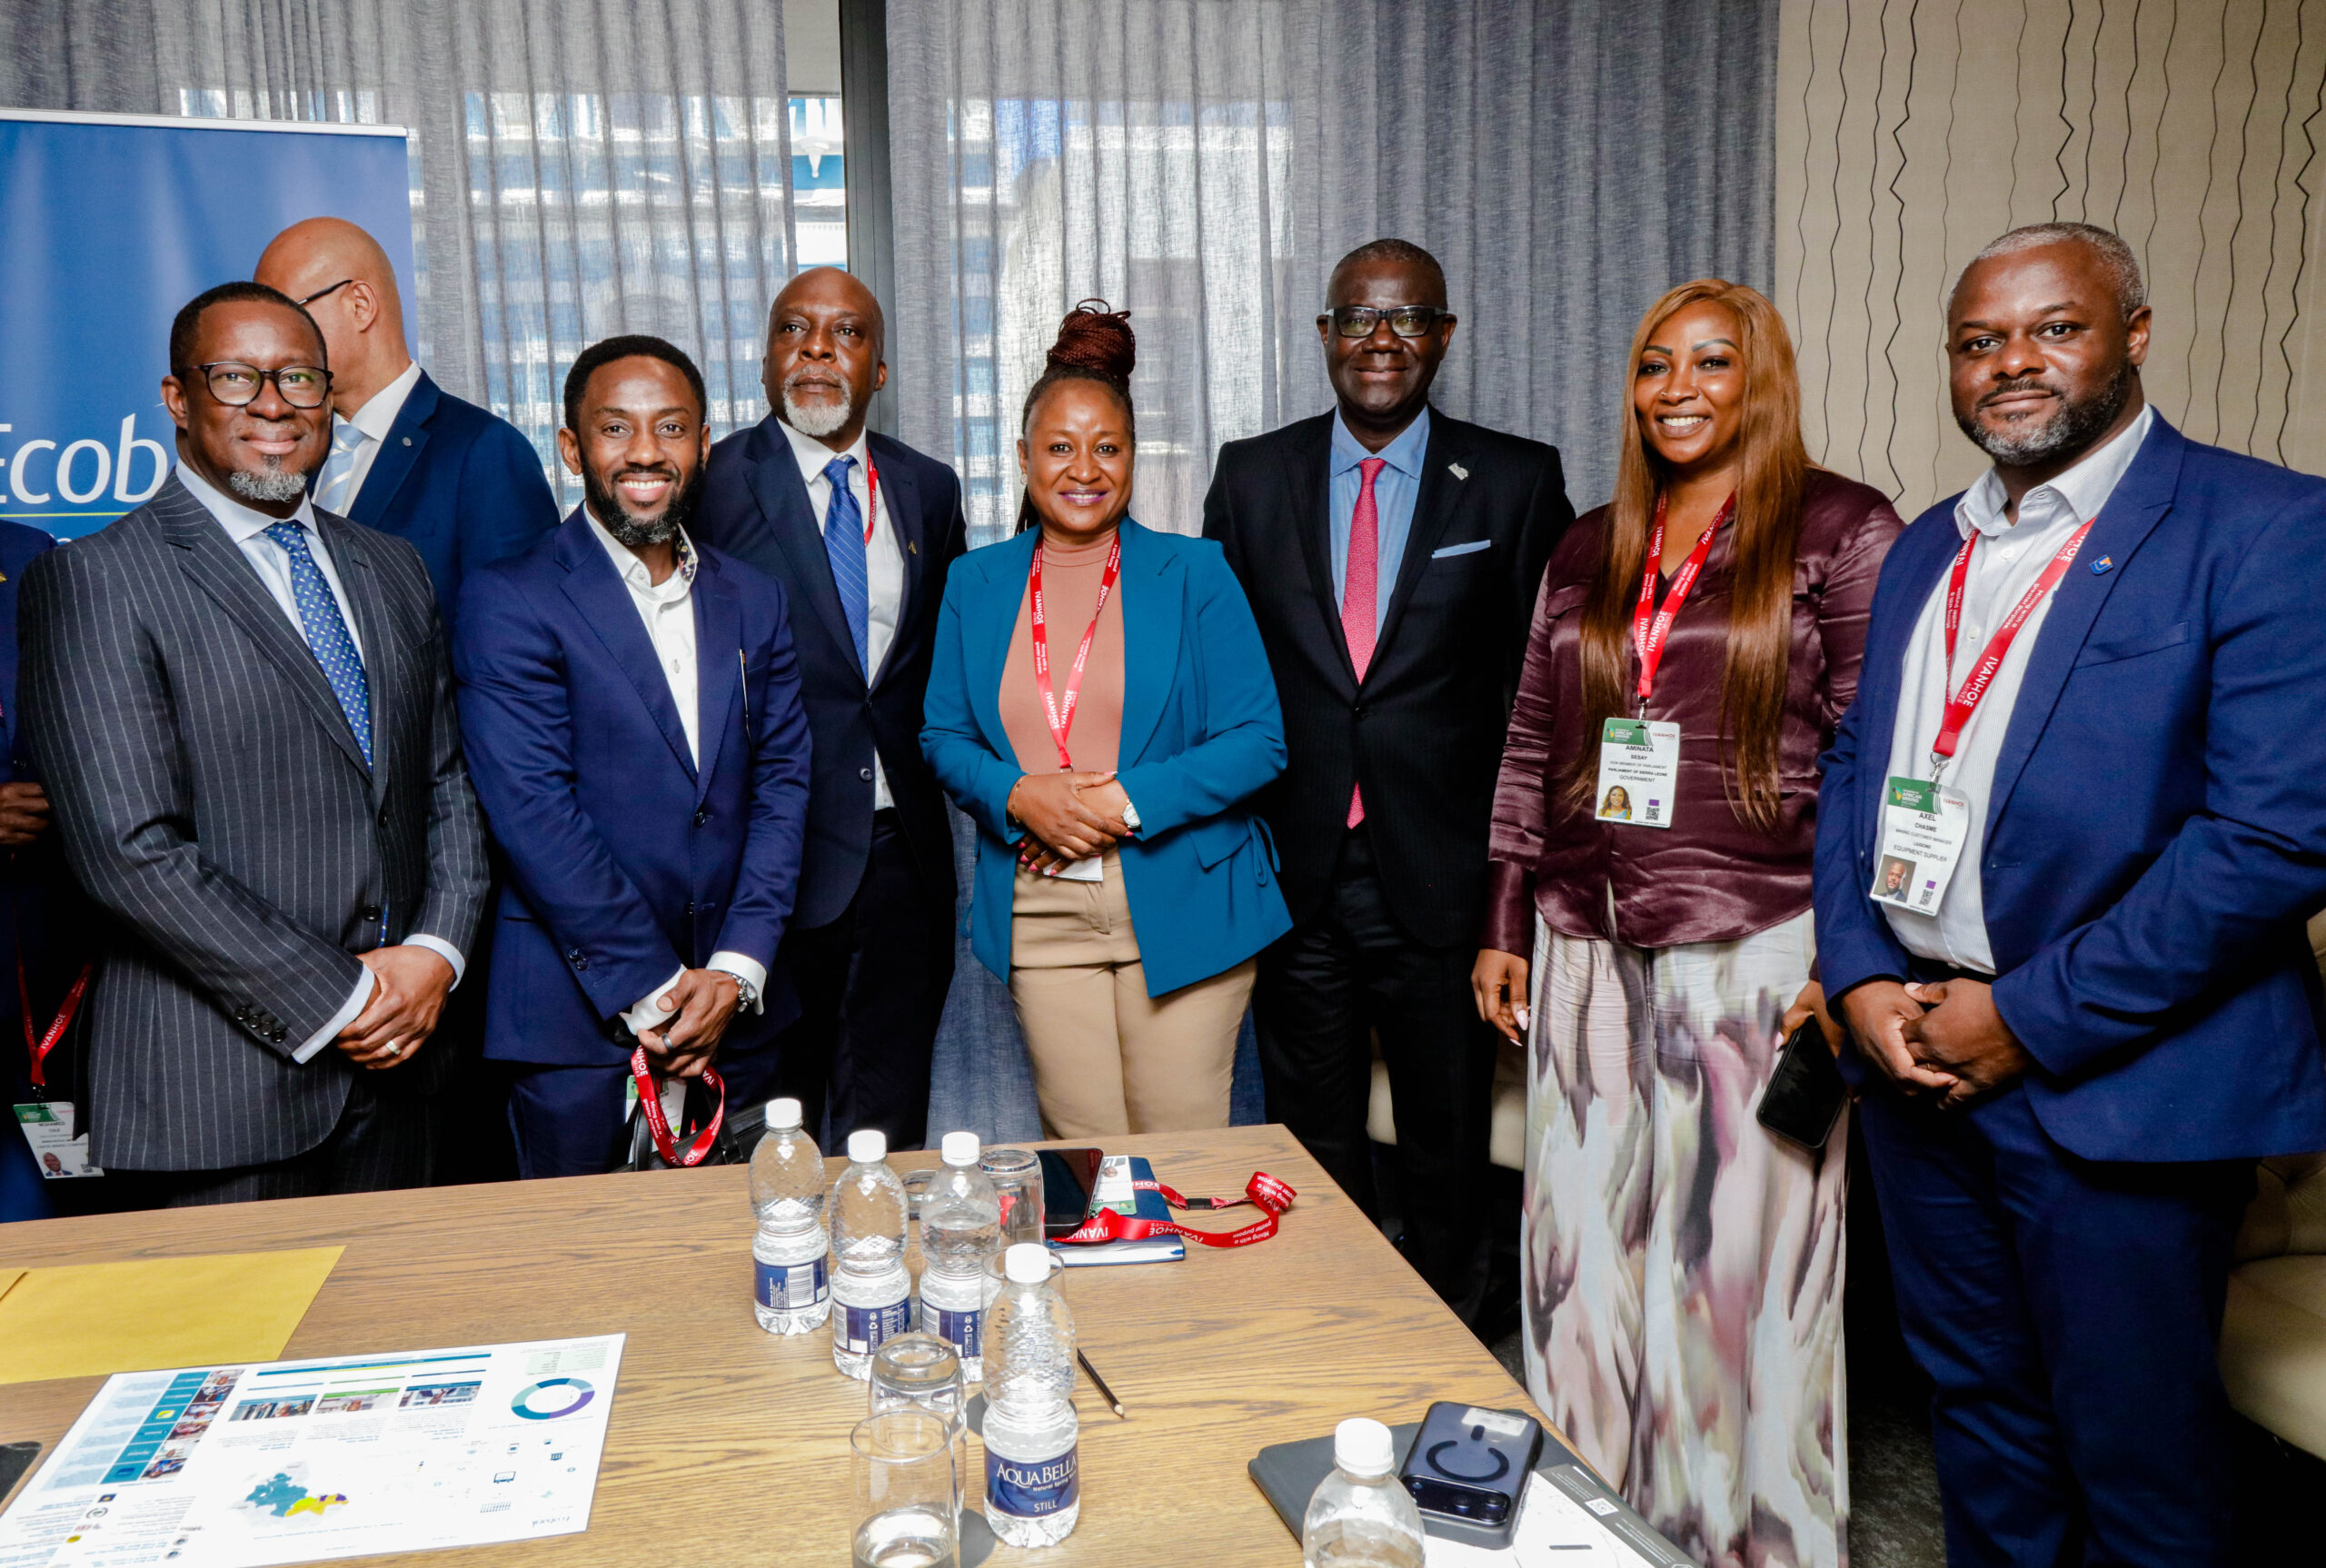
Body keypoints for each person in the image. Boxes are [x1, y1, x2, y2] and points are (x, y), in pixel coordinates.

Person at [1814, 223, 2326, 1567]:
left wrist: (2022, 1018)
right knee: (1980, 1421)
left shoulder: (2267, 527)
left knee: (2138, 1462)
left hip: (2119, 1088)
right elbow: (1859, 766)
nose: (2012, 362)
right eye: (1979, 340)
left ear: (2134, 335)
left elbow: (2270, 841)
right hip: (1918, 1065)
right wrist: (1858, 970)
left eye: (2055, 328)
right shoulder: (1927, 547)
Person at [1474, 280, 1900, 1567]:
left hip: (1761, 943)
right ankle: (1587, 1530)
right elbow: (1533, 738)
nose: (1677, 388)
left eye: (1712, 362)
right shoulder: (1588, 544)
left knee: (1735, 1275)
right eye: (1655, 363)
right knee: (1580, 1257)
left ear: (1762, 377)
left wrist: (1857, 957)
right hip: (1584, 939)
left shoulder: (1842, 528)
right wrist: (1505, 915)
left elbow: (1877, 760)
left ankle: (1742, 1542)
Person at [20, 282, 489, 1203]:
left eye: (299, 378)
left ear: (329, 398)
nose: (273, 405)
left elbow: (445, 783)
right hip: (217, 1097)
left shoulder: (392, 567)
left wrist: (437, 952)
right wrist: (345, 998)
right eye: (236, 377)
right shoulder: (97, 579)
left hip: (407, 1080)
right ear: (177, 398)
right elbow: (128, 853)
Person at [1202, 238, 1574, 1315]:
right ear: (1323, 334)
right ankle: (1334, 1324)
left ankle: (1446, 1327)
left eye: (1406, 317)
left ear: (1443, 336)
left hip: (1443, 874)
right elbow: (1219, 674)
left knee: (1444, 1132)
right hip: (1295, 869)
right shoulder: (1250, 475)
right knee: (1309, 1133)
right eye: (1357, 317)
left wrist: (1518, 883)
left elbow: (1541, 695)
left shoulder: (1514, 479)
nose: (1380, 338)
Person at [923, 303, 1289, 1136]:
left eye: (1107, 448)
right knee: (1088, 1158)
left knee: (1177, 1147)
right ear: (1023, 457)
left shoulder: (1195, 573)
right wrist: (1019, 795)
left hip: (1184, 892)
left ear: (1132, 457)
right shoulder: (975, 583)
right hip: (1040, 905)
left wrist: (1121, 802)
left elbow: (1258, 741)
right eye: (1059, 448)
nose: (1083, 469)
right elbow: (941, 736)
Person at [453, 336, 811, 1176]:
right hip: (576, 1022)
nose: (646, 451)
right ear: (572, 448)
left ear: (703, 445)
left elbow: (784, 785)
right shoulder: (509, 597)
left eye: (671, 427)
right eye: (616, 428)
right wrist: (661, 991)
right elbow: (534, 813)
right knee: (585, 1254)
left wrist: (734, 971)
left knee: (748, 1245)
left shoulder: (754, 598)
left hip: (739, 1015)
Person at [697, 268, 967, 1151]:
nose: (817, 348)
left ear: (879, 368)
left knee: (889, 1123)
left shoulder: (929, 487)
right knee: (776, 1131)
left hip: (904, 862)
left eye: (845, 332)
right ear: (765, 358)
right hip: (769, 865)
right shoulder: (712, 481)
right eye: (793, 329)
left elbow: (940, 664)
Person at [255, 218, 560, 618]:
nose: (269, 339)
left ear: (360, 305)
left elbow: (522, 633)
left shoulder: (484, 452)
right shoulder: (290, 449)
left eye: (286, 315)